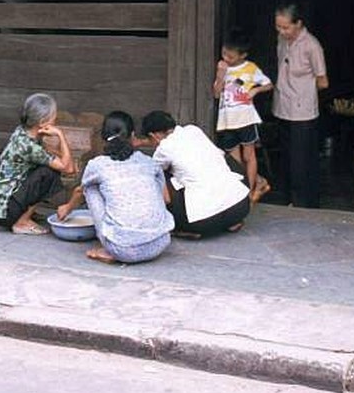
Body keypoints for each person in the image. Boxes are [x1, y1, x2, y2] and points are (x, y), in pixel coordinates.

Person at [67, 110, 174, 264]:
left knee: (89, 187)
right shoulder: (149, 162)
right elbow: (166, 199)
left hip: (123, 250)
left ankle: (109, 248)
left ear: (104, 138)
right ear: (132, 136)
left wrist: (67, 208)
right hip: (161, 242)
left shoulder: (97, 165)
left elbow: (79, 191)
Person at [141, 110, 250, 238]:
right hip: (240, 208)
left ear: (154, 136)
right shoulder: (193, 130)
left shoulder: (164, 148)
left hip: (203, 222)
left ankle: (184, 228)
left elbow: (153, 171)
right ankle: (230, 223)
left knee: (160, 176)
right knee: (219, 161)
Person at [0, 92, 78, 235]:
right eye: (54, 115)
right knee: (49, 173)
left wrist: (64, 157)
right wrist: (61, 135)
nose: (56, 118)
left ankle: (24, 213)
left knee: (46, 167)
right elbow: (69, 168)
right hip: (6, 213)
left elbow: (50, 153)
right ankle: (21, 222)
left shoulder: (23, 132)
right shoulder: (29, 147)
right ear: (42, 122)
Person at [272, 3, 328, 209]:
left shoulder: (311, 46)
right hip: (282, 106)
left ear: (298, 24)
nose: (281, 31)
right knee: (285, 158)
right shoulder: (282, 40)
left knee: (301, 161)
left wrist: (302, 90)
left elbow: (323, 82)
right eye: (278, 27)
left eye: (286, 27)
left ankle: (304, 203)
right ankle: (286, 200)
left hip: (302, 111)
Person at [212, 29, 273, 201]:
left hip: (246, 118)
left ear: (242, 55)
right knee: (235, 160)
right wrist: (220, 75)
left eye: (230, 56)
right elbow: (216, 94)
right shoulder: (222, 67)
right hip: (227, 121)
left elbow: (268, 85)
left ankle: (250, 191)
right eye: (224, 53)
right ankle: (244, 190)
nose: (226, 58)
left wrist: (255, 90)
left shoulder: (250, 68)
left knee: (249, 156)